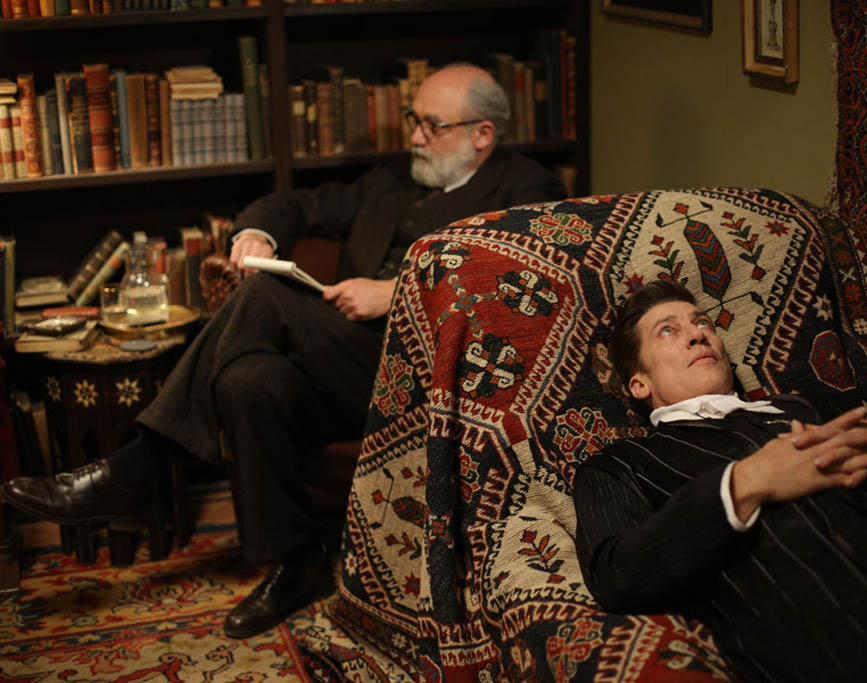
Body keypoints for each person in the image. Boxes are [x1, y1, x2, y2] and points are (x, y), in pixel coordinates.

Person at [2, 64, 566, 639]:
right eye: (412, 120)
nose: (415, 137)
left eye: (432, 125)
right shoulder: (392, 179)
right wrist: (256, 235)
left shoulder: (527, 191)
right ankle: (297, 562)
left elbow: (517, 288)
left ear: (482, 134)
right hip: (343, 364)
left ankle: (132, 469)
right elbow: (295, 204)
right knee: (247, 379)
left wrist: (395, 291)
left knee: (264, 294)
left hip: (432, 378)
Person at [573, 279, 867, 682]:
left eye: (702, 322)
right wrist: (743, 483)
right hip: (857, 632)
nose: (698, 334)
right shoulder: (622, 464)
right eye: (668, 331)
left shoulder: (803, 407)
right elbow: (615, 574)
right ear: (639, 384)